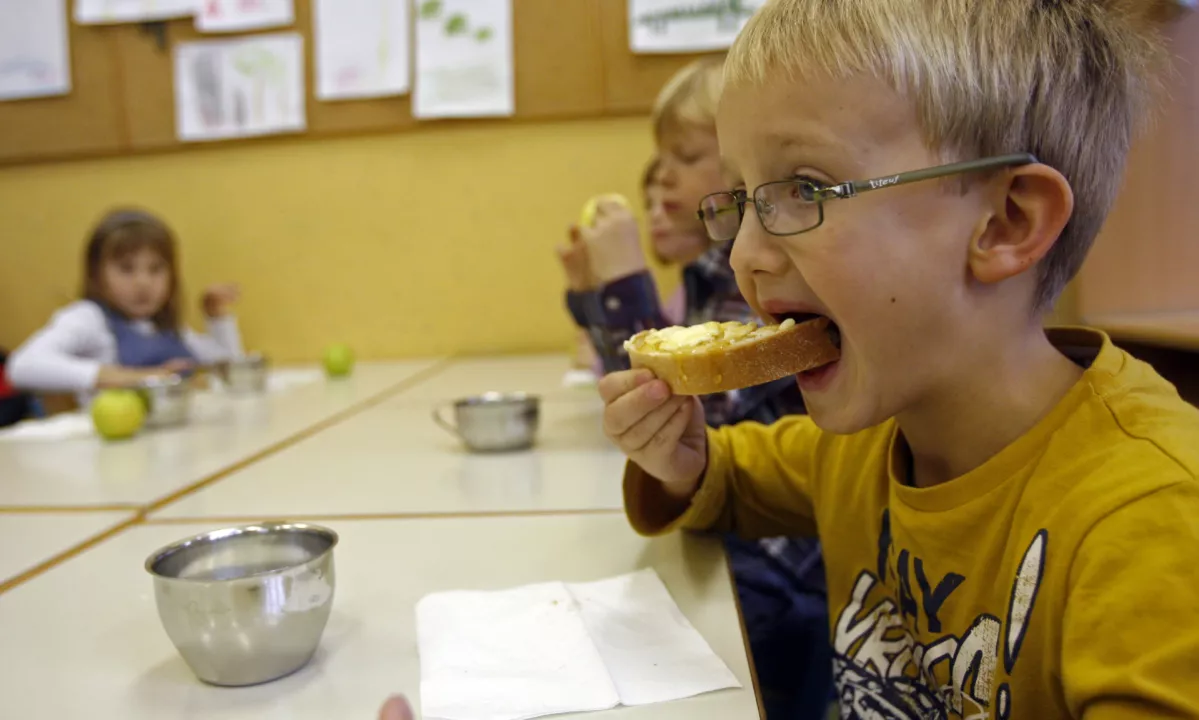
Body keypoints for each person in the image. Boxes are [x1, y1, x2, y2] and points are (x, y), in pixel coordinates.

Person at [602, 0, 1199, 717]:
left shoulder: (1151, 521)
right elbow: (726, 479)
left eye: (804, 190)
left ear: (1006, 222)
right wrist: (678, 457)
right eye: (739, 201)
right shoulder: (869, 438)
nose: (742, 256)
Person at [562, 58, 833, 718]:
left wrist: (623, 285)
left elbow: (710, 404)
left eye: (684, 159)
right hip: (734, 534)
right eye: (656, 166)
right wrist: (589, 296)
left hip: (781, 583)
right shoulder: (708, 275)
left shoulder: (752, 273)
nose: (664, 183)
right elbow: (653, 391)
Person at [8, 208, 243, 405]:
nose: (143, 283)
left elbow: (234, 368)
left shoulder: (166, 327)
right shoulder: (89, 319)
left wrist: (216, 317)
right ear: (96, 275)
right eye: (126, 269)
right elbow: (22, 366)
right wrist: (138, 378)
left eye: (155, 269)